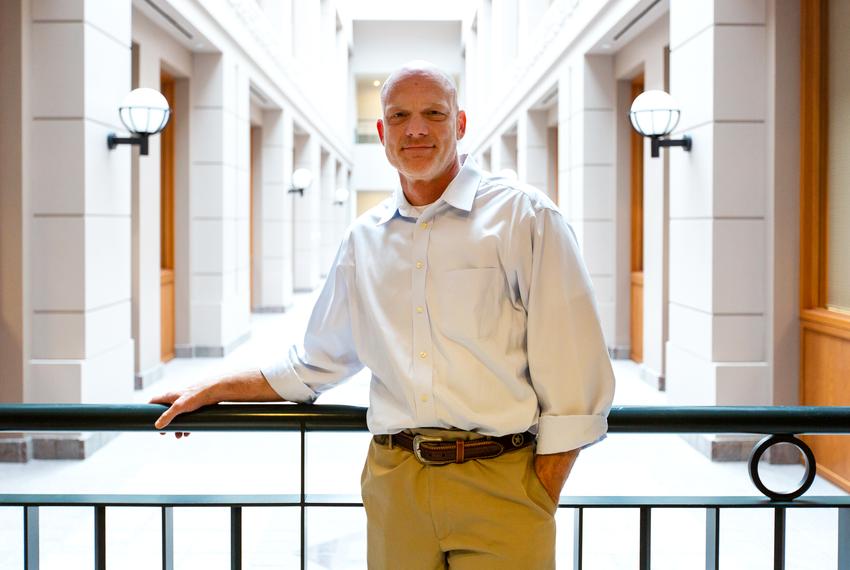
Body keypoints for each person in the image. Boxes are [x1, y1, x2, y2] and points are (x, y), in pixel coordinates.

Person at [151, 60, 615, 569]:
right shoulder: (364, 239)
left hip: (504, 483)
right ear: (381, 132)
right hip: (396, 485)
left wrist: (539, 490)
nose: (415, 129)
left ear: (460, 125)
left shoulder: (524, 217)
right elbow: (314, 364)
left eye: (433, 113)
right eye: (399, 116)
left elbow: (576, 372)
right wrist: (214, 389)